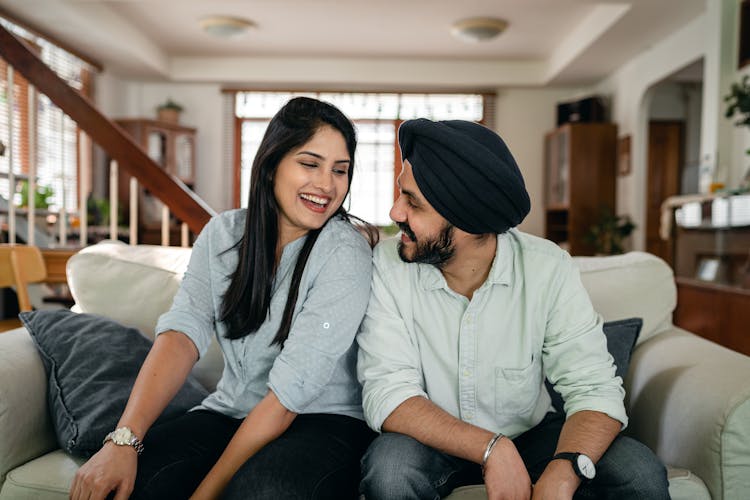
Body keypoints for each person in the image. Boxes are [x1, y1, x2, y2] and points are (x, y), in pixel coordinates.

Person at [71, 97, 377, 500]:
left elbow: (288, 396)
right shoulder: (223, 235)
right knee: (137, 481)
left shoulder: (345, 253)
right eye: (310, 163)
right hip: (230, 410)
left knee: (260, 491)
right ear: (271, 166)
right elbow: (182, 335)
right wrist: (123, 441)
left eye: (340, 170)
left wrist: (206, 494)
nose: (327, 184)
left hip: (322, 420)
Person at [357, 118, 669, 499]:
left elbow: (593, 388)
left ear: (472, 222)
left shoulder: (546, 267)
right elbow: (388, 392)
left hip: (530, 434)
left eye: (413, 203)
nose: (394, 212)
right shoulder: (388, 265)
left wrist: (566, 469)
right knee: (390, 472)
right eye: (400, 193)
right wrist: (491, 448)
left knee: (638, 472)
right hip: (428, 440)